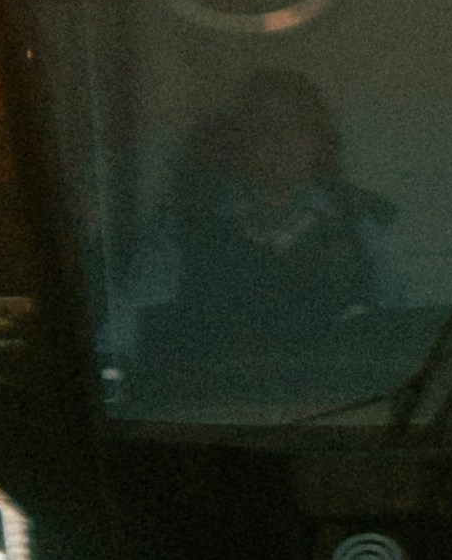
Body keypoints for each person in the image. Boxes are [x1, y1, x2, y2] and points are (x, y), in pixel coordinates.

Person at [140, 66, 388, 410]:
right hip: (218, 417)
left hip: (345, 413)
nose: (282, 140)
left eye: (298, 127)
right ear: (238, 140)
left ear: (320, 141)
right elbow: (129, 338)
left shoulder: (359, 225)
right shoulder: (183, 229)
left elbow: (403, 330)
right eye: (265, 126)